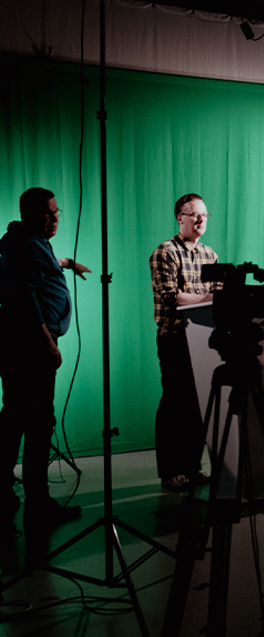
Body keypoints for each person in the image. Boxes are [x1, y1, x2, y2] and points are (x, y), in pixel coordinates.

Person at [0, 187, 91, 531]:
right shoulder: (27, 244)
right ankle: (38, 504)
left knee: (14, 418)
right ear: (29, 214)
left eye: (56, 212)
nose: (54, 219)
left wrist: (65, 264)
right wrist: (47, 344)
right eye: (47, 213)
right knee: (37, 424)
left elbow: (31, 271)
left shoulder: (22, 240)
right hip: (30, 347)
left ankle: (4, 491)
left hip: (16, 346)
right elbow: (24, 295)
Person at [149, 193, 218, 491]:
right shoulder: (165, 252)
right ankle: (170, 470)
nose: (201, 219)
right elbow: (172, 297)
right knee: (174, 404)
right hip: (175, 338)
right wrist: (211, 297)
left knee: (200, 405)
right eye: (194, 215)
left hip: (205, 339)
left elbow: (219, 293)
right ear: (180, 218)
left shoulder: (210, 255)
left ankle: (192, 466)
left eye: (204, 214)